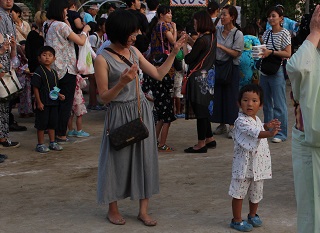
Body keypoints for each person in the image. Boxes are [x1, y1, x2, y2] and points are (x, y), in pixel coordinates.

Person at [94, 9, 185, 226]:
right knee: (116, 162)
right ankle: (112, 208)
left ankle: (143, 210)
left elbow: (158, 73)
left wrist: (173, 53)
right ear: (119, 32)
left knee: (146, 160)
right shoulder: (102, 58)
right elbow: (103, 98)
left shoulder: (134, 51)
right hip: (118, 113)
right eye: (132, 33)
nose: (135, 37)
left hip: (141, 110)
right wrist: (122, 83)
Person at [286, 5, 320, 233]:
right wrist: (315, 33)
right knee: (310, 209)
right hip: (309, 142)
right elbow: (296, 67)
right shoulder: (310, 56)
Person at [229, 84, 281, 232]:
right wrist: (270, 133)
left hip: (258, 165)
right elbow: (255, 133)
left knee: (256, 192)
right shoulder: (240, 121)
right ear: (239, 103)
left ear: (261, 105)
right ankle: (236, 220)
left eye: (254, 100)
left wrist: (265, 125)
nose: (249, 104)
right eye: (245, 100)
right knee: (238, 192)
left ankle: (252, 215)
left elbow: (258, 128)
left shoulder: (256, 119)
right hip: (243, 166)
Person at [43, 0, 91, 144]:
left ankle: (54, 130)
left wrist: (65, 20)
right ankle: (61, 134)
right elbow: (80, 41)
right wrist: (85, 30)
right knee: (66, 103)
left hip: (53, 69)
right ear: (60, 10)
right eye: (65, 10)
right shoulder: (61, 26)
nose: (67, 12)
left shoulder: (47, 24)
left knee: (55, 100)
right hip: (67, 70)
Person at [182, 10, 217, 153]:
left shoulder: (202, 40)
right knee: (204, 109)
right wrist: (191, 41)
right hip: (208, 78)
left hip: (198, 80)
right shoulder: (212, 37)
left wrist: (184, 45)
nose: (194, 25)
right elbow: (201, 50)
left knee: (200, 112)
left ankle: (201, 143)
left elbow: (189, 59)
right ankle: (209, 138)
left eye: (196, 23)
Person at [259, 6, 291, 143]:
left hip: (277, 70)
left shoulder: (285, 33)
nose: (271, 18)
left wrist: (271, 52)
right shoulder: (266, 33)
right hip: (265, 70)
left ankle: (281, 133)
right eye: (269, 16)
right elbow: (264, 50)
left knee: (279, 104)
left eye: (274, 16)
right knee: (266, 103)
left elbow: (288, 53)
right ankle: (269, 131)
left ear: (281, 18)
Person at [212, 5, 244, 139]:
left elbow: (236, 53)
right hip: (218, 67)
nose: (222, 17)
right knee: (218, 96)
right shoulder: (217, 30)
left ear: (232, 17)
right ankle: (221, 124)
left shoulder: (238, 34)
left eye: (224, 14)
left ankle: (232, 125)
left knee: (231, 96)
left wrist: (220, 46)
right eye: (221, 14)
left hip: (231, 68)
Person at [31, 46, 65, 153]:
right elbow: (35, 88)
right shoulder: (38, 71)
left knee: (52, 123)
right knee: (42, 124)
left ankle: (52, 142)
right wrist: (39, 102)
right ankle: (40, 144)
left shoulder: (54, 73)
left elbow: (54, 86)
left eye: (50, 55)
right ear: (39, 58)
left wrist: (59, 94)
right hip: (44, 102)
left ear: (54, 58)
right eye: (44, 55)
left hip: (53, 102)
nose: (47, 58)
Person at [0, 0, 27, 133]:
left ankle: (4, 135)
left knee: (5, 103)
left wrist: (14, 53)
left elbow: (12, 43)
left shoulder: (8, 17)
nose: (9, 1)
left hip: (7, 64)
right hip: (2, 65)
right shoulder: (1, 16)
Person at [148, 5, 177, 78]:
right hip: (165, 58)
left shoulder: (156, 25)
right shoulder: (163, 25)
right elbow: (173, 41)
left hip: (156, 57)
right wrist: (175, 28)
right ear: (161, 15)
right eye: (168, 13)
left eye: (171, 13)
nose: (171, 15)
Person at [239, 24, 261, 89]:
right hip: (250, 62)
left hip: (239, 60)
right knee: (251, 84)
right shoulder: (254, 38)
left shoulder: (241, 38)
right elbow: (258, 54)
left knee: (241, 81)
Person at [16, 40, 33, 118]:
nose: (24, 47)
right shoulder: (18, 56)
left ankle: (29, 111)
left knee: (28, 95)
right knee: (21, 96)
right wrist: (24, 70)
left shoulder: (29, 55)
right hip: (21, 78)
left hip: (28, 78)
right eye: (22, 45)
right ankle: (22, 111)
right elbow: (16, 67)